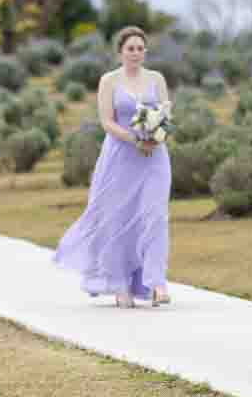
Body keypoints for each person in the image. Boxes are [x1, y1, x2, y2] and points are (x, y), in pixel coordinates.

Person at [53, 26, 172, 308]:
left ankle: (156, 282)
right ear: (121, 51)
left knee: (155, 216)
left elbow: (166, 111)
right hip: (120, 157)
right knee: (117, 218)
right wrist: (135, 139)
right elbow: (107, 121)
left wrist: (156, 134)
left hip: (155, 157)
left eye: (140, 48)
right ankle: (118, 283)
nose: (136, 53)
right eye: (130, 48)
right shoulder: (109, 80)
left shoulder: (156, 78)